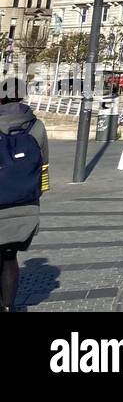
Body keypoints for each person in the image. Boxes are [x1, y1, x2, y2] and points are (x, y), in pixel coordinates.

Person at [0, 77, 49, 312]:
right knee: (9, 257)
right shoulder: (36, 125)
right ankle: (9, 306)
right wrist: (37, 194)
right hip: (25, 203)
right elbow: (44, 166)